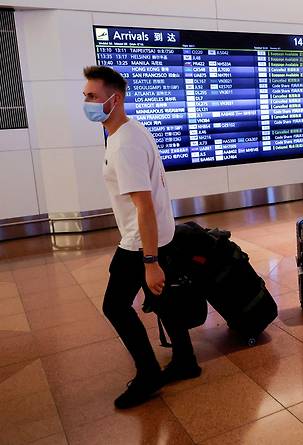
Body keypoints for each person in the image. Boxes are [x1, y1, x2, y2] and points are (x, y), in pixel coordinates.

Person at [83, 66, 200, 409]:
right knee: (162, 300)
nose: (87, 102)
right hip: (160, 234)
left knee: (115, 307)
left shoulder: (124, 145)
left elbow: (143, 206)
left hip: (140, 242)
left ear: (113, 99)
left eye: (92, 96)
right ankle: (185, 360)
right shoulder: (131, 130)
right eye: (85, 96)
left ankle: (148, 374)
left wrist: (149, 262)